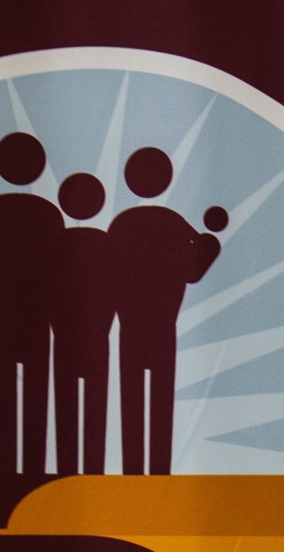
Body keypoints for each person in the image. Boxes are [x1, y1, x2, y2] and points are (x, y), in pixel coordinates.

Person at [107, 146, 223, 474]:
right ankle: (159, 474)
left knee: (131, 400)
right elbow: (194, 271)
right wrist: (211, 245)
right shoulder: (174, 224)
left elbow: (108, 273)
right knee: (160, 403)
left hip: (129, 326)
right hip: (161, 327)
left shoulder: (121, 224)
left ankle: (132, 473)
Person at [0, 132, 62, 475]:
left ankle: (5, 471)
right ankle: (34, 472)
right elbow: (60, 272)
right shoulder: (49, 215)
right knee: (36, 396)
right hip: (37, 323)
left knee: (6, 398)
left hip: (5, 321)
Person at [51, 173, 116, 476]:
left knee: (67, 405)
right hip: (95, 340)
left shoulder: (57, 243)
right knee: (94, 408)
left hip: (65, 338)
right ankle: (93, 473)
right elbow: (118, 290)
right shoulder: (106, 244)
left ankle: (67, 474)